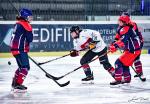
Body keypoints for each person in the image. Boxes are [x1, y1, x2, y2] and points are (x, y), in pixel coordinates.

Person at [109, 15, 141, 85]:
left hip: (133, 51)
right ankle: (127, 79)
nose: (118, 22)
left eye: (120, 21)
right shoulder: (122, 28)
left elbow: (123, 40)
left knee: (118, 63)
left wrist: (115, 46)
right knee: (124, 64)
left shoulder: (126, 28)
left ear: (124, 22)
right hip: (132, 50)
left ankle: (118, 79)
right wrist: (114, 43)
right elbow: (117, 38)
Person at [10, 8, 33, 90]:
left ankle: (14, 82)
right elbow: (30, 39)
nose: (31, 18)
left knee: (21, 67)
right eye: (29, 17)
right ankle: (18, 84)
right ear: (25, 17)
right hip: (20, 50)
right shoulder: (25, 24)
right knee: (25, 68)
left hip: (15, 50)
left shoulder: (18, 23)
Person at [121, 12, 146, 80]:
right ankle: (135, 73)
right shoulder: (124, 25)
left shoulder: (132, 24)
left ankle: (140, 73)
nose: (122, 18)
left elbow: (128, 35)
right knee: (129, 58)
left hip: (137, 43)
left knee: (136, 58)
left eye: (124, 16)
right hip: (133, 43)